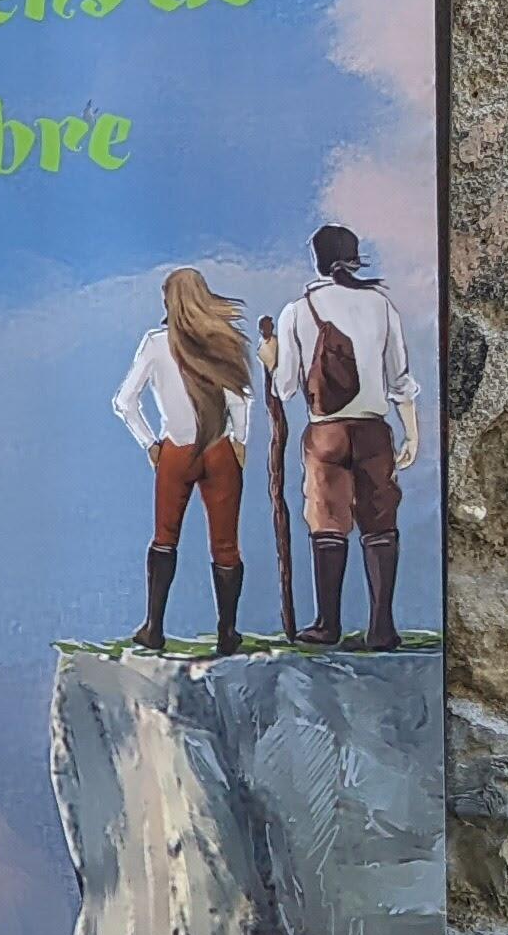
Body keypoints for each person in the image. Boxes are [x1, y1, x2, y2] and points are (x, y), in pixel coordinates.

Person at [270, 223, 423, 650]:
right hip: (374, 431)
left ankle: (327, 624)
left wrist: (270, 359)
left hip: (325, 433)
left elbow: (285, 387)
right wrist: (412, 434)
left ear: (317, 260)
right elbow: (400, 378)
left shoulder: (297, 311)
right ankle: (382, 627)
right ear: (355, 259)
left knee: (327, 523)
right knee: (381, 524)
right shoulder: (381, 305)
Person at [111, 267, 254, 655]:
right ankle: (227, 632)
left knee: (164, 538)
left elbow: (124, 401)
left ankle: (154, 627)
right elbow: (240, 399)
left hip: (176, 451)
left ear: (168, 301)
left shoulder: (156, 343)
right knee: (226, 545)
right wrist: (240, 441)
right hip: (220, 450)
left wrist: (149, 443)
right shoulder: (223, 339)